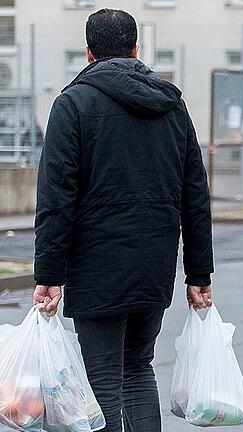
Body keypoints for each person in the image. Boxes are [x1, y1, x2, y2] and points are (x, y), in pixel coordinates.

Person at [33, 8, 213, 432]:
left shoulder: (72, 104)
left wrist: (49, 274)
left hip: (96, 269)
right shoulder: (171, 105)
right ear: (136, 49)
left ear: (88, 53)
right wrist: (199, 271)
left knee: (103, 384)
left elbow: (55, 199)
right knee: (138, 370)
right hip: (154, 267)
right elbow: (195, 194)